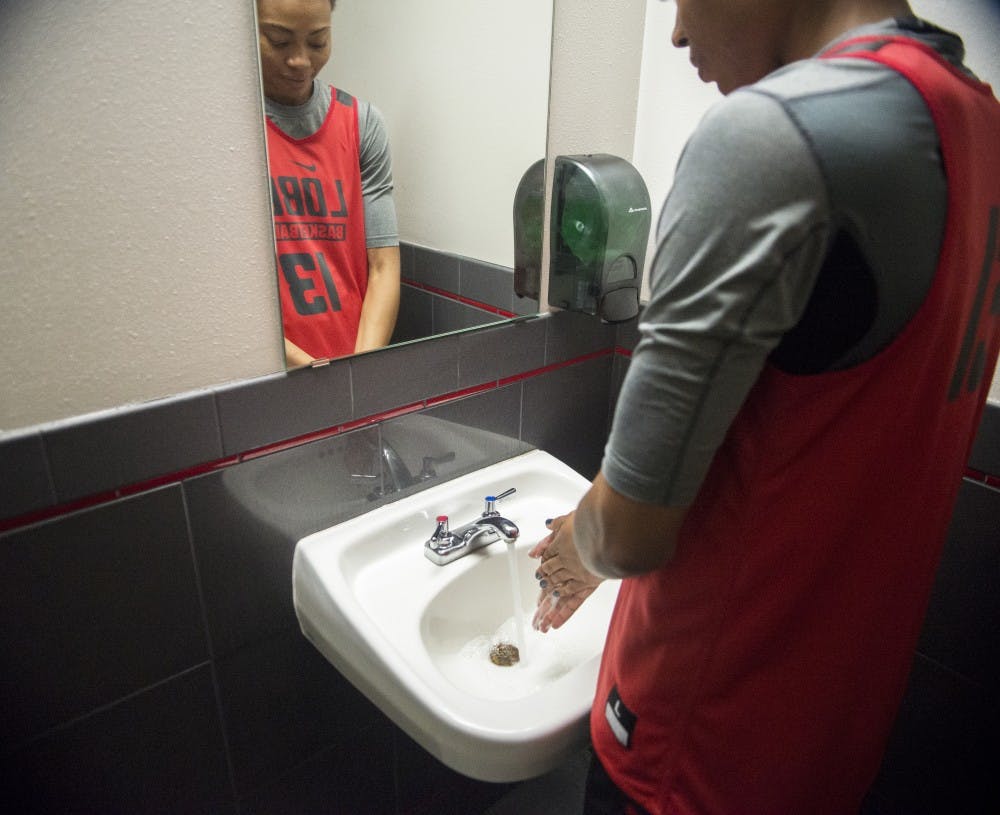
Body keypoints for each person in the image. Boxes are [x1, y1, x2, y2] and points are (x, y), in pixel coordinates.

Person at [531, 1, 1000, 813]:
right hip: (830, 746)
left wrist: (578, 542)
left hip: (692, 750)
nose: (676, 33)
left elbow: (631, 530)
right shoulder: (977, 125)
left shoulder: (773, 134)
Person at [257, 0, 400, 367]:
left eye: (318, 41)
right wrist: (309, 371)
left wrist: (356, 372)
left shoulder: (362, 124)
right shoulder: (224, 129)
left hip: (352, 365)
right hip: (264, 372)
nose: (300, 60)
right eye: (279, 40)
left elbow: (383, 267)